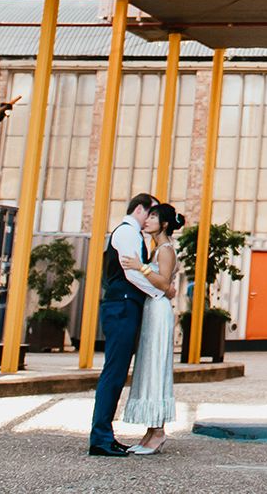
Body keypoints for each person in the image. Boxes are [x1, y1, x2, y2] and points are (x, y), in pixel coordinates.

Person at [88, 193, 172, 457]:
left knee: (118, 370)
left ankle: (105, 434)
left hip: (128, 305)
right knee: (114, 371)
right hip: (122, 305)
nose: (150, 219)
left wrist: (161, 289)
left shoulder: (139, 237)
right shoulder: (126, 233)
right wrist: (162, 291)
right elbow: (131, 272)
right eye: (150, 213)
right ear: (140, 210)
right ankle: (100, 437)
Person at [118, 202, 183, 453]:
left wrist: (140, 267)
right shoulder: (156, 249)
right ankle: (150, 431)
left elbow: (165, 284)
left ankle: (158, 432)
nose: (147, 220)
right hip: (153, 308)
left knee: (156, 365)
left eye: (153, 216)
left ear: (164, 224)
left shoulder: (165, 250)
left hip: (159, 310)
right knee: (149, 364)